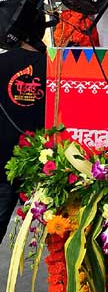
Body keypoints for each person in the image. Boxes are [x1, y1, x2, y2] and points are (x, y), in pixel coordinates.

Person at [0, 42, 46, 242]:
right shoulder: (52, 65)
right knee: (52, 228)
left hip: (3, 160)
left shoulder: (3, 61)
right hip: (41, 162)